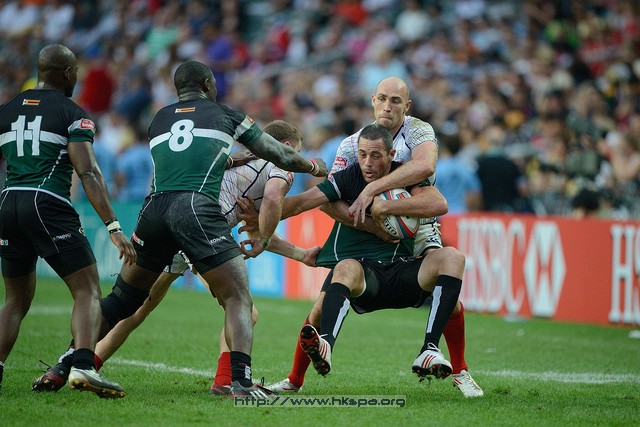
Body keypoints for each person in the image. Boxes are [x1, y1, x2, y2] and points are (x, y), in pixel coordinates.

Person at [31, 60, 328, 398]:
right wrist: (315, 166)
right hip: (197, 215)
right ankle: (239, 383)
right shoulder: (229, 118)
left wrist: (292, 248)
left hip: (155, 210)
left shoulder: (159, 118)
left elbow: (193, 159)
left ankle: (70, 363)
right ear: (207, 85)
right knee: (239, 300)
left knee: (127, 303)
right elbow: (281, 166)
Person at [268, 76, 484, 397]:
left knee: (450, 288)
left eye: (395, 100)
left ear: (407, 106)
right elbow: (324, 200)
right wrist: (373, 225)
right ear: (372, 100)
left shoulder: (418, 131)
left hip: (417, 226)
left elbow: (427, 171)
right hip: (366, 240)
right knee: (319, 310)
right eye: (382, 98)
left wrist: (377, 196)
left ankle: (452, 364)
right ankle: (295, 379)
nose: (387, 106)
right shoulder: (351, 146)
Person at [91, 120, 321, 397]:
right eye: (297, 152)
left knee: (136, 307)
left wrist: (300, 254)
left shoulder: (242, 162)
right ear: (285, 146)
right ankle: (225, 380)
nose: (296, 158)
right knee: (244, 310)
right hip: (201, 232)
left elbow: (255, 229)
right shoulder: (279, 167)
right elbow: (271, 205)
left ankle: (80, 362)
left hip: (170, 219)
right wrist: (268, 238)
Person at [0, 44, 136, 398]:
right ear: (66, 73)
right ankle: (84, 366)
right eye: (76, 72)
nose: (77, 78)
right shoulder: (72, 113)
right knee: (87, 290)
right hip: (47, 203)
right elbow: (88, 171)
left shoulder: (7, 109)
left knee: (14, 300)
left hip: (8, 202)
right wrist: (113, 226)